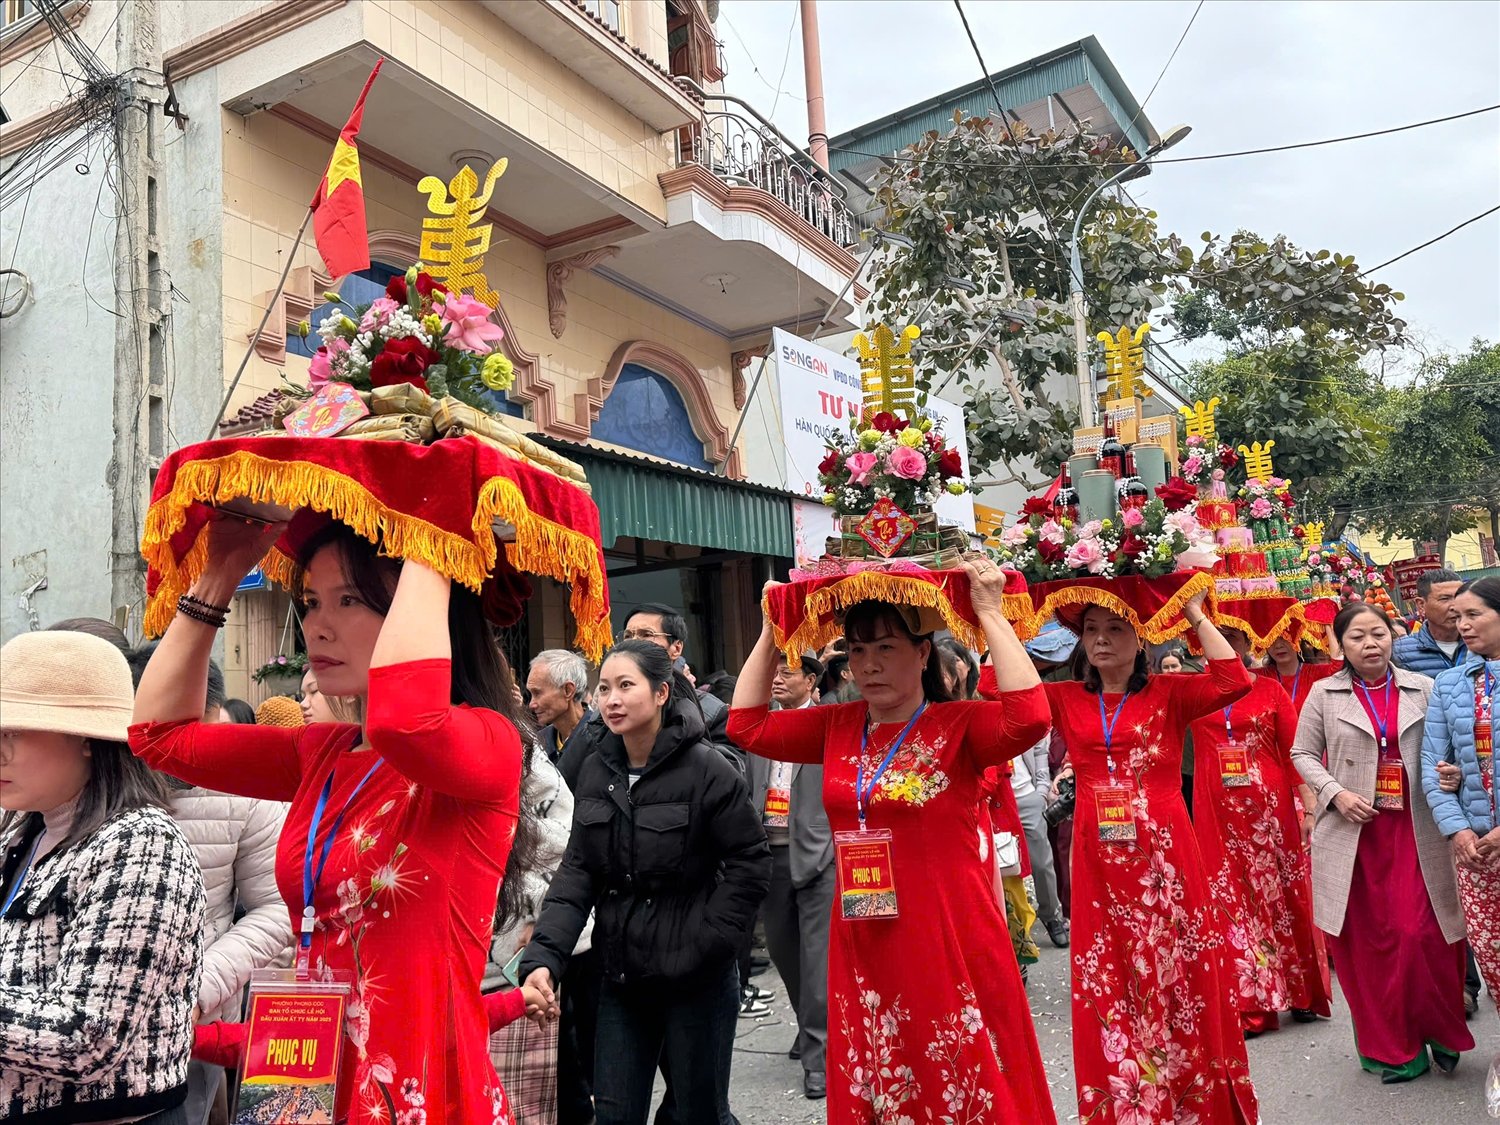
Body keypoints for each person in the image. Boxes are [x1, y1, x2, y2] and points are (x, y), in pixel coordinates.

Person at [130, 516, 530, 1123]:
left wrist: (430, 528)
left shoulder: (487, 744)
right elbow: (159, 738)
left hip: (424, 1091)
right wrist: (221, 574)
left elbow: (407, 722)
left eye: (351, 600)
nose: (318, 624)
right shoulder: (322, 752)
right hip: (307, 1079)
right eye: (312, 601)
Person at [729, 558, 1060, 1124]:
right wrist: (769, 630)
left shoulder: (959, 724)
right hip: (863, 925)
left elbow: (1030, 718)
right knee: (882, 1060)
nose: (869, 665)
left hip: (946, 924)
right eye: (857, 652)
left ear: (924, 653)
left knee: (957, 1064)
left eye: (886, 648)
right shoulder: (837, 725)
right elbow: (747, 726)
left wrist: (988, 613)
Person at [520, 640, 769, 1125]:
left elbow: (749, 862)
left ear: (660, 693)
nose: (611, 699)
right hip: (623, 974)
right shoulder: (596, 771)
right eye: (605, 688)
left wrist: (711, 940)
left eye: (626, 686)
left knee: (699, 1113)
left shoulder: (707, 770)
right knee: (614, 1113)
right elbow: (579, 872)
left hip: (697, 977)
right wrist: (544, 959)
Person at [1040, 592, 1259, 1124]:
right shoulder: (1066, 698)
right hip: (1098, 858)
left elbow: (1234, 680)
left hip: (1165, 856)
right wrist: (1000, 612)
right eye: (1090, 629)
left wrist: (1189, 610)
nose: (1100, 640)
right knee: (1111, 976)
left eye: (1115, 629)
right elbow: (999, 691)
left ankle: (1195, 1101)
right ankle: (1134, 1104)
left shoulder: (1168, 692)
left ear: (1140, 639)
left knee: (1176, 967)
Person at [1, 630, 206, 1124]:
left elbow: (87, 1038)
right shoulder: (27, 831)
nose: (0, 751)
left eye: (16, 732)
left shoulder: (142, 843)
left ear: (88, 740)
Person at [1291, 601, 1470, 1082]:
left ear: (1394, 636)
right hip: (1357, 834)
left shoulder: (1425, 688)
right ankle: (1393, 1049)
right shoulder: (1323, 694)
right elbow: (1302, 751)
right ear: (1341, 645)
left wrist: (1451, 774)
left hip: (1419, 831)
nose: (1371, 644)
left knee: (1424, 935)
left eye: (1379, 634)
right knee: (1370, 946)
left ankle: (1441, 1029)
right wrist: (1334, 793)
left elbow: (1451, 747)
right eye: (1357, 637)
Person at [1189, 626, 1330, 1036]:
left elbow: (1293, 753)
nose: (1229, 647)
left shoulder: (1270, 692)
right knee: (1233, 902)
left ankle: (1302, 993)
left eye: (1235, 639)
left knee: (1287, 896)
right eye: (1219, 638)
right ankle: (1255, 1003)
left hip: (1272, 812)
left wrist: (1307, 807)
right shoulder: (1193, 692)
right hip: (1217, 813)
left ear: (1250, 644)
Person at [747, 651, 834, 1100]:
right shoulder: (763, 728)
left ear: (811, 679)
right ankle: (810, 1026)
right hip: (771, 858)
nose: (778, 679)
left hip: (820, 857)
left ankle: (818, 1061)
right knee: (785, 953)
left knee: (817, 961)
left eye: (787, 672)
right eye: (774, 672)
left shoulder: (826, 725)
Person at [1422, 577, 1500, 1026]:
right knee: (1491, 958)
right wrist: (1458, 829)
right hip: (1477, 850)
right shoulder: (1450, 684)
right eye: (1458, 616)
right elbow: (1435, 765)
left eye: (1474, 615)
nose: (1463, 624)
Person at [1394, 567, 1469, 677]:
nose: (1455, 606)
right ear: (1421, 605)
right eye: (1445, 599)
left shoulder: (1483, 644)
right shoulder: (1399, 652)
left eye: (1458, 598)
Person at [529, 650, 589, 768]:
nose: (532, 704)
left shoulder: (601, 740)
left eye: (537, 693)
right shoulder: (539, 743)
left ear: (568, 690)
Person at [1256, 634, 1341, 715]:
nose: (1278, 645)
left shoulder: (1314, 672)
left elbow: (1340, 668)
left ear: (1298, 638)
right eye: (1272, 639)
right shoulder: (1258, 676)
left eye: (1285, 637)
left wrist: (1327, 625)